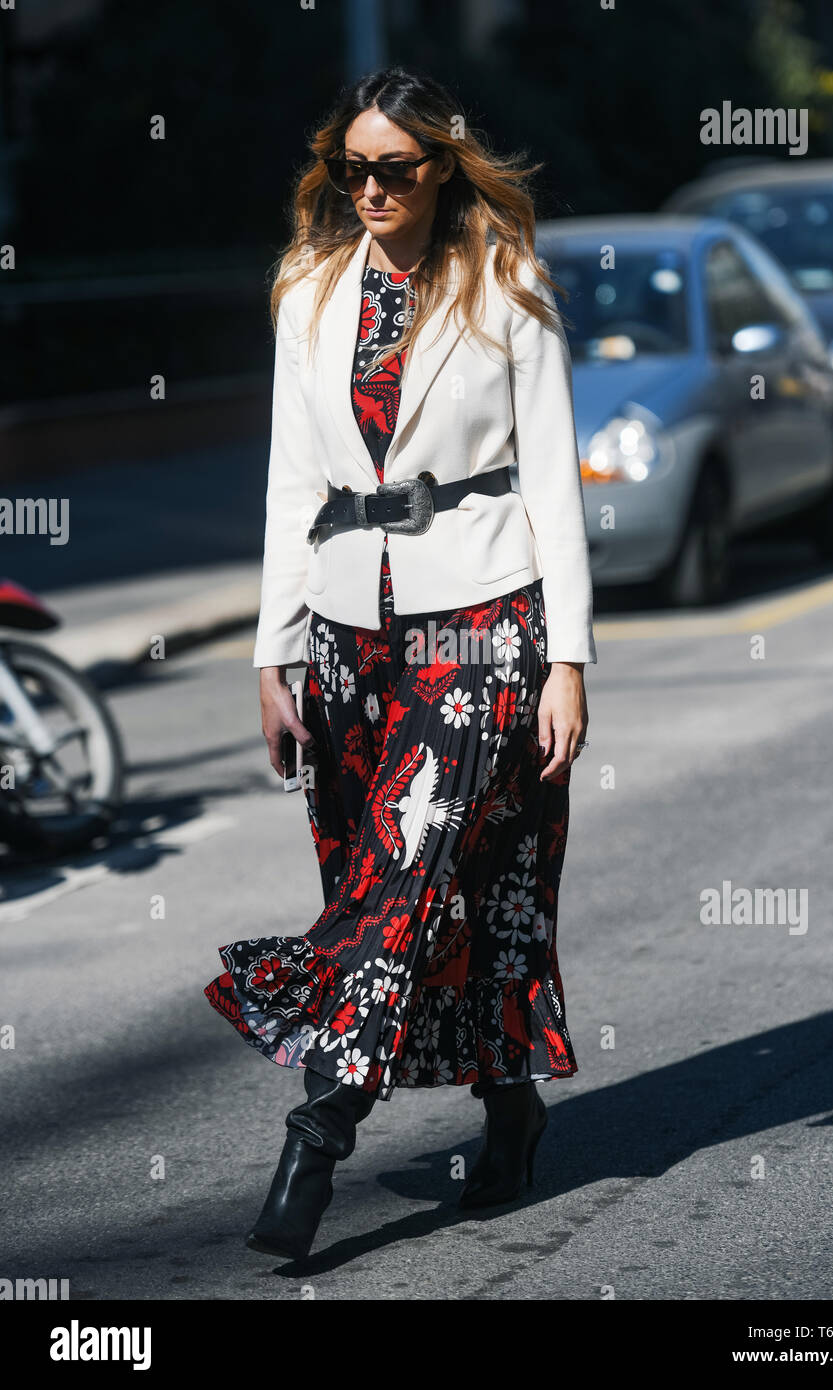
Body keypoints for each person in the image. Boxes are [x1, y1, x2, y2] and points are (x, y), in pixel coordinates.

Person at [203, 65, 596, 1264]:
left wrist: (566, 658)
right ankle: (509, 1100)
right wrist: (274, 652)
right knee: (402, 881)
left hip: (481, 620)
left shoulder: (505, 283)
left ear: (441, 169)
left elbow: (550, 482)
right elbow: (286, 486)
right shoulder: (306, 294)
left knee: (407, 868)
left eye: (394, 168)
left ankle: (317, 1131)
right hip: (345, 630)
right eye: (351, 168)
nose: (369, 188)